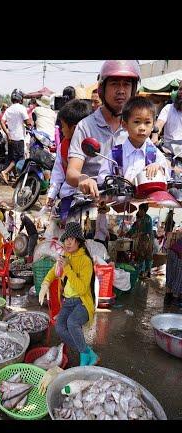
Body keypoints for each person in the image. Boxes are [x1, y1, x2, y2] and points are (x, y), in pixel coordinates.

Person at [66, 60, 139, 197]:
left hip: (127, 201)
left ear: (133, 90)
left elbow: (150, 155)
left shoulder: (137, 126)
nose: (121, 90)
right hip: (92, 199)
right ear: (102, 89)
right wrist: (83, 179)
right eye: (114, 84)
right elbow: (72, 172)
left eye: (127, 84)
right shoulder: (86, 126)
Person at [39, 222, 98, 366]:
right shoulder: (65, 255)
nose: (68, 242)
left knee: (72, 322)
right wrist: (45, 284)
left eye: (71, 239)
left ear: (78, 241)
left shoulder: (85, 261)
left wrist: (68, 268)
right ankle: (87, 350)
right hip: (69, 302)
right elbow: (54, 271)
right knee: (59, 328)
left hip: (83, 302)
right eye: (66, 239)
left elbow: (82, 289)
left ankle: (83, 354)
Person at [96, 96, 170, 187]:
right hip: (119, 201)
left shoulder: (155, 154)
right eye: (137, 122)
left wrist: (159, 169)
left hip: (148, 200)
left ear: (153, 126)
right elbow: (101, 179)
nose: (142, 128)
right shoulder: (115, 154)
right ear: (124, 125)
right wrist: (118, 181)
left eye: (147, 123)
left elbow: (167, 179)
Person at [46, 100, 92, 209]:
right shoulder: (63, 146)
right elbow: (58, 172)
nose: (61, 130)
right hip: (67, 198)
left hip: (89, 199)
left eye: (63, 126)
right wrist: (51, 194)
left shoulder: (92, 146)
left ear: (75, 128)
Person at [0, 89, 33, 184]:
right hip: (19, 137)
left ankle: (15, 178)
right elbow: (27, 122)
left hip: (10, 138)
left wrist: (7, 133)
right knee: (19, 158)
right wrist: (30, 123)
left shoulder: (9, 109)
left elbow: (2, 121)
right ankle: (5, 172)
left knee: (12, 158)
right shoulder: (21, 108)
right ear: (20, 98)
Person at [128, 203, 154, 279]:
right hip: (141, 241)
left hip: (147, 241)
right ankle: (140, 272)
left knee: (147, 256)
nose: (139, 211)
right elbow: (134, 228)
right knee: (140, 256)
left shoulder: (148, 218)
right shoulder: (139, 219)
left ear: (143, 210)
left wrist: (139, 233)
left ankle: (147, 272)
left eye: (140, 209)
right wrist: (128, 233)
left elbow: (148, 230)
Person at [165, 236, 182, 306]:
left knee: (170, 274)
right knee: (179, 277)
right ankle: (175, 298)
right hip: (179, 254)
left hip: (172, 251)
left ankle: (168, 297)